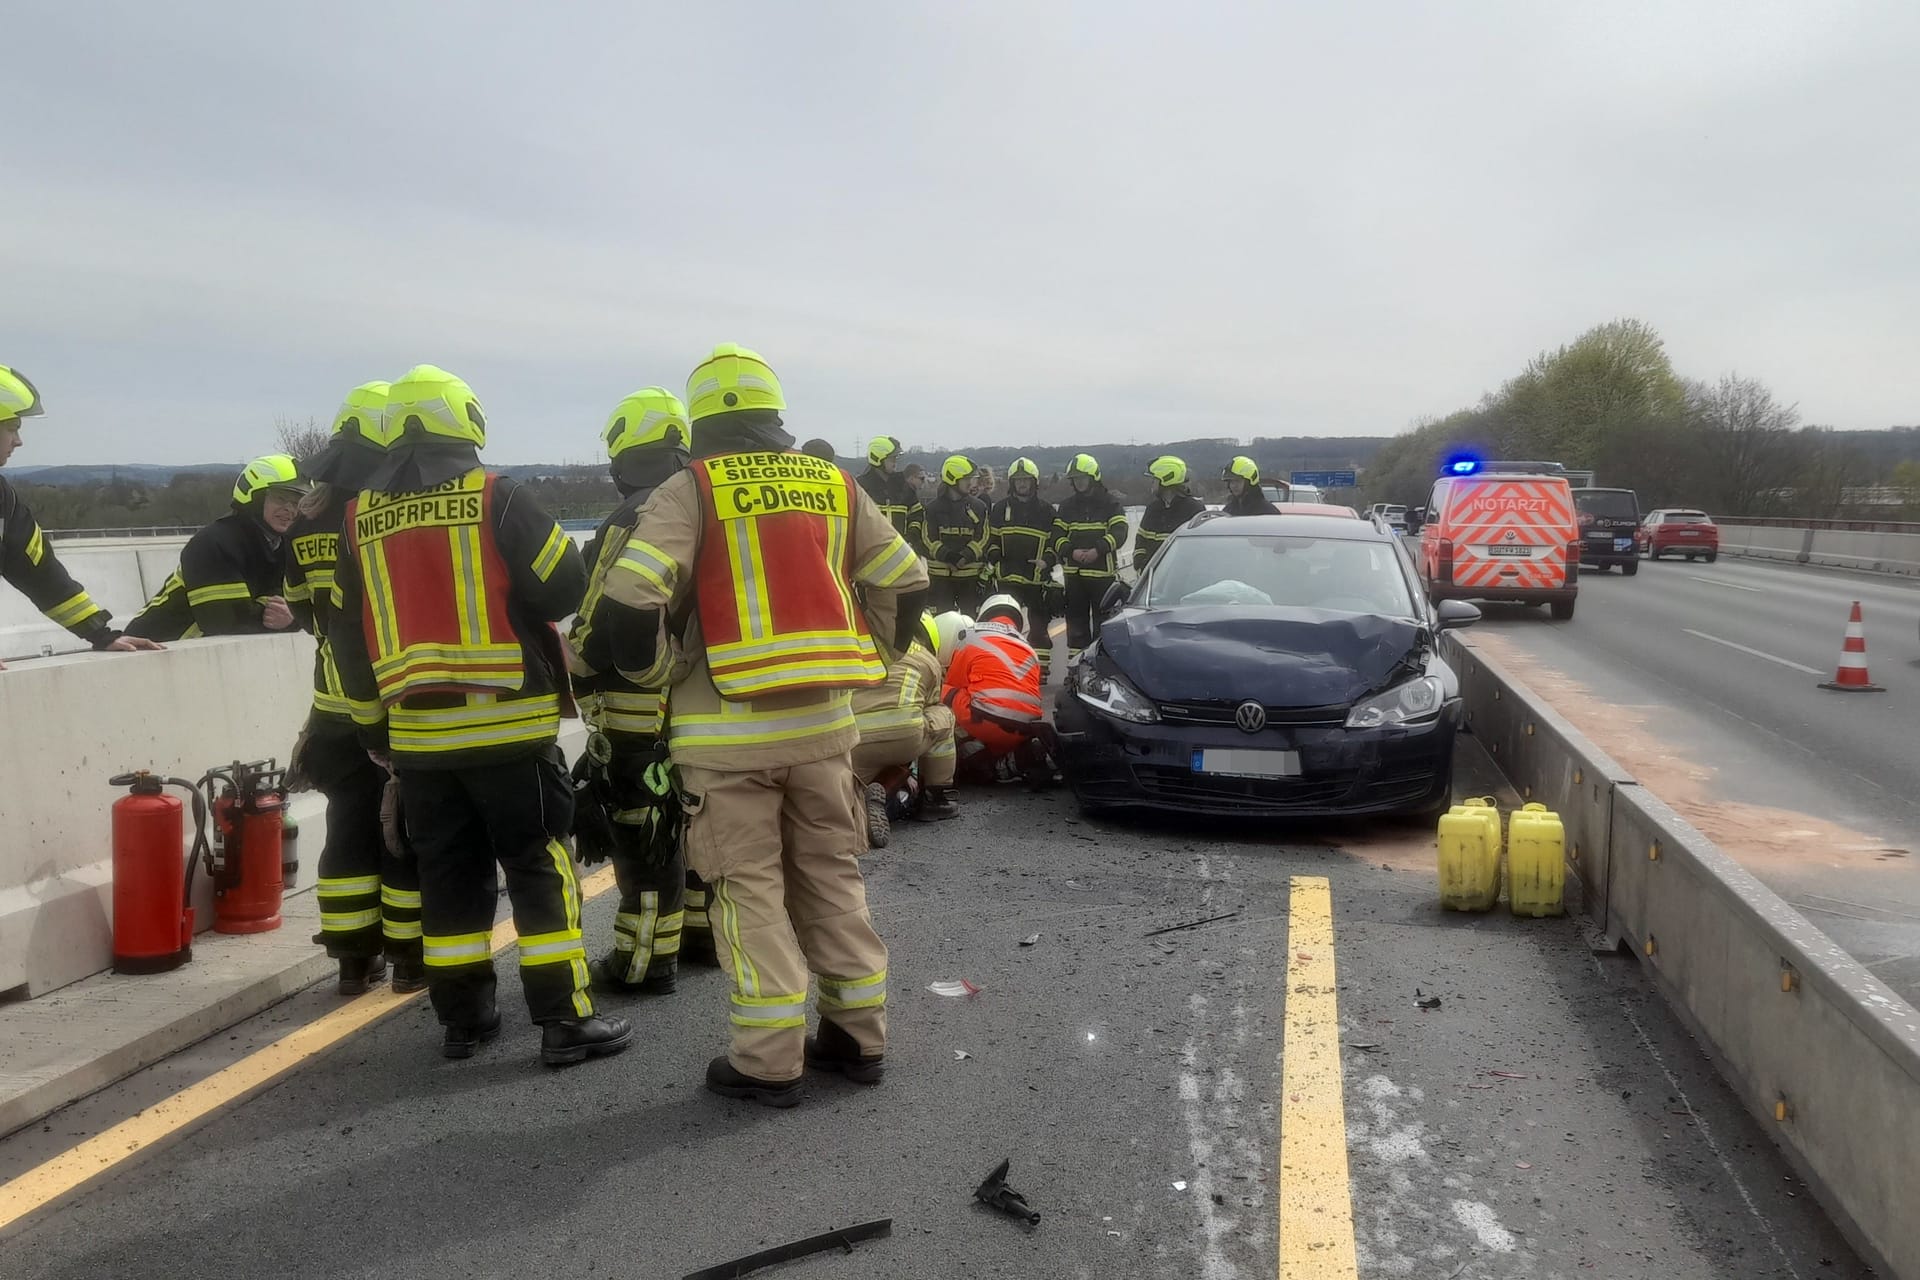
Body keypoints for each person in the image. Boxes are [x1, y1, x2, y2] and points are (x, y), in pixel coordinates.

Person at [591, 343, 927, 1107]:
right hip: (826, 729)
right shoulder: (833, 482)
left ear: (701, 420)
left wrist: (658, 674)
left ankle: (769, 1060)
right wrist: (869, 659)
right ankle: (857, 1035)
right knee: (830, 879)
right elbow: (905, 582)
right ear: (775, 414)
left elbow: (631, 599)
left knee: (750, 894)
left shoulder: (693, 488)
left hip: (725, 737)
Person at [330, 365, 629, 1067]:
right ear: (465, 424)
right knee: (537, 868)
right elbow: (567, 585)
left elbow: (346, 634)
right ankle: (563, 1019)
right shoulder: (498, 497)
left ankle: (465, 1021)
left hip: (418, 743)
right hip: (509, 733)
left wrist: (375, 730)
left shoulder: (356, 518)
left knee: (448, 880)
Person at [284, 382, 423, 997]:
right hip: (386, 698)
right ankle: (409, 959)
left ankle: (350, 960)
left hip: (330, 705)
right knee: (403, 831)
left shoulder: (304, 523)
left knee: (347, 826)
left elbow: (299, 608)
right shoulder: (378, 517)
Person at [566, 386, 693, 992]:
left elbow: (600, 617)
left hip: (633, 706)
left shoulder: (631, 515)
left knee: (644, 838)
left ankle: (643, 963)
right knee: (687, 822)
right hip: (699, 702)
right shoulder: (699, 505)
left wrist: (573, 665)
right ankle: (698, 937)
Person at [0, 365, 161, 668]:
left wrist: (101, 634)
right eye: (12, 427)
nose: (18, 441)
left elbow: (42, 574)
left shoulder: (3, 501)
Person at [123, 454, 308, 642]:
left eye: (296, 502)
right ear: (255, 498)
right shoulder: (215, 542)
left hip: (198, 658)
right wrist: (293, 615)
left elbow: (302, 604)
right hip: (150, 653)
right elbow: (227, 622)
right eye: (281, 498)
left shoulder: (285, 546)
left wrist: (293, 617)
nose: (289, 509)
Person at [850, 611, 959, 848]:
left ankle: (857, 805)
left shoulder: (861, 648)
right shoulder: (927, 660)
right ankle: (935, 798)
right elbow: (931, 705)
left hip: (853, 739)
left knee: (850, 791)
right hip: (903, 737)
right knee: (942, 715)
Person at [942, 593, 1053, 784]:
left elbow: (955, 682)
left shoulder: (971, 637)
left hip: (984, 722)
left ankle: (972, 753)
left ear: (985, 615)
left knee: (943, 689)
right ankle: (1012, 757)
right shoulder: (1030, 649)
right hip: (1025, 728)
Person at [1050, 452, 1126, 666]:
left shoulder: (1111, 504)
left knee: (1104, 626)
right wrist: (1071, 552)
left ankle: (1102, 669)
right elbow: (1056, 536)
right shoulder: (1066, 507)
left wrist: (1097, 550)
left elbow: (1120, 532)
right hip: (1074, 579)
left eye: (1082, 478)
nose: (1079, 483)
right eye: (1075, 479)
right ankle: (1076, 670)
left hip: (1104, 579)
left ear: (1093, 477)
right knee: (1076, 628)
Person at [985, 456, 1057, 681]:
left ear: (1034, 482)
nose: (1022, 484)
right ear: (1012, 483)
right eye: (1018, 480)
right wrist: (995, 557)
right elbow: (990, 538)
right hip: (1007, 577)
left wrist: (1047, 560)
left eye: (1026, 480)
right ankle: (1006, 667)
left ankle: (1040, 670)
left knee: (1038, 627)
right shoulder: (999, 509)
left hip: (1036, 579)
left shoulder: (1047, 511)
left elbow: (1057, 542)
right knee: (1006, 626)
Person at [913, 454, 989, 614]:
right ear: (953, 479)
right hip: (940, 580)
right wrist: (948, 557)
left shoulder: (979, 507)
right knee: (942, 627)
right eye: (967, 478)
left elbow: (983, 537)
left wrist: (965, 557)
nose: (971, 482)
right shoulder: (932, 508)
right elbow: (927, 538)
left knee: (970, 625)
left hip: (970, 579)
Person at [1134, 455, 1208, 574]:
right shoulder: (1152, 509)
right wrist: (1140, 564)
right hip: (1152, 578)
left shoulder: (1194, 509)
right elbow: (1141, 540)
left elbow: (1200, 549)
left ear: (1166, 479)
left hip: (1181, 579)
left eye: (1154, 480)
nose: (1152, 484)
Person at [856, 436, 915, 537]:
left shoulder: (903, 485)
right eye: (892, 459)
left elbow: (916, 513)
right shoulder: (861, 486)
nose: (895, 463)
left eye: (896, 458)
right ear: (878, 459)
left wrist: (912, 535)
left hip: (900, 549)